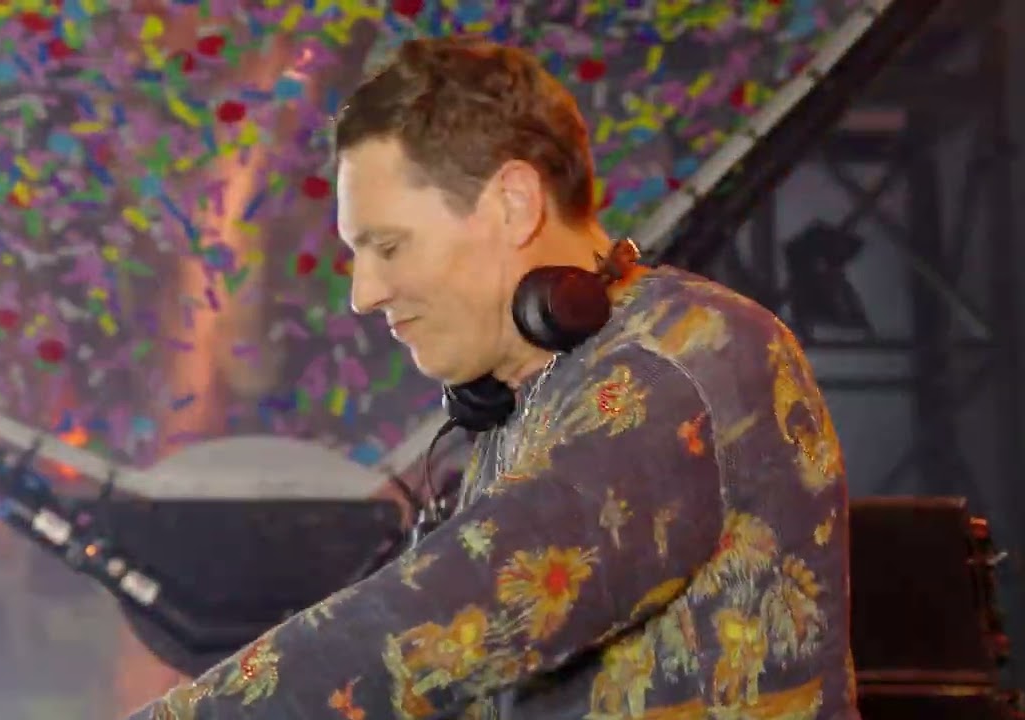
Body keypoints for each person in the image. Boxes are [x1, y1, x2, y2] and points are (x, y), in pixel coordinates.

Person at [127, 36, 857, 719]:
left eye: (388, 246)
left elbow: (429, 620)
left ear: (514, 203)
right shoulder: (535, 395)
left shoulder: (683, 362)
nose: (364, 293)